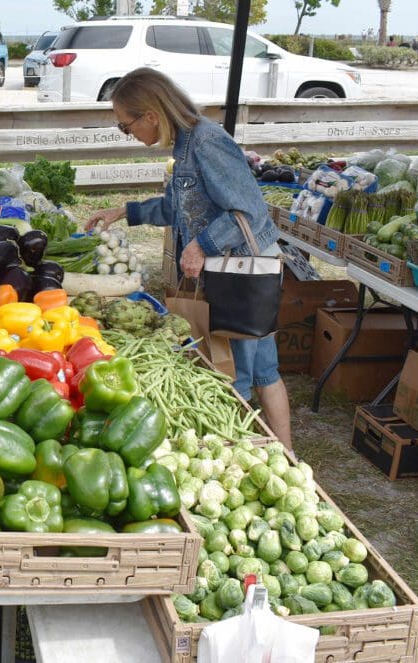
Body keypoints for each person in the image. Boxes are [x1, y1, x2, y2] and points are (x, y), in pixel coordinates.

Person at [84, 67, 293, 447]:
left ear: (150, 115)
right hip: (244, 270)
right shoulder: (186, 145)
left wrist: (202, 245)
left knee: (237, 375)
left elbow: (248, 211)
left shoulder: (206, 143)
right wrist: (125, 212)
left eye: (126, 126)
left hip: (240, 272)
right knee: (263, 370)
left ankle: (243, 452)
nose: (128, 135)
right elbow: (178, 209)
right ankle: (286, 452)